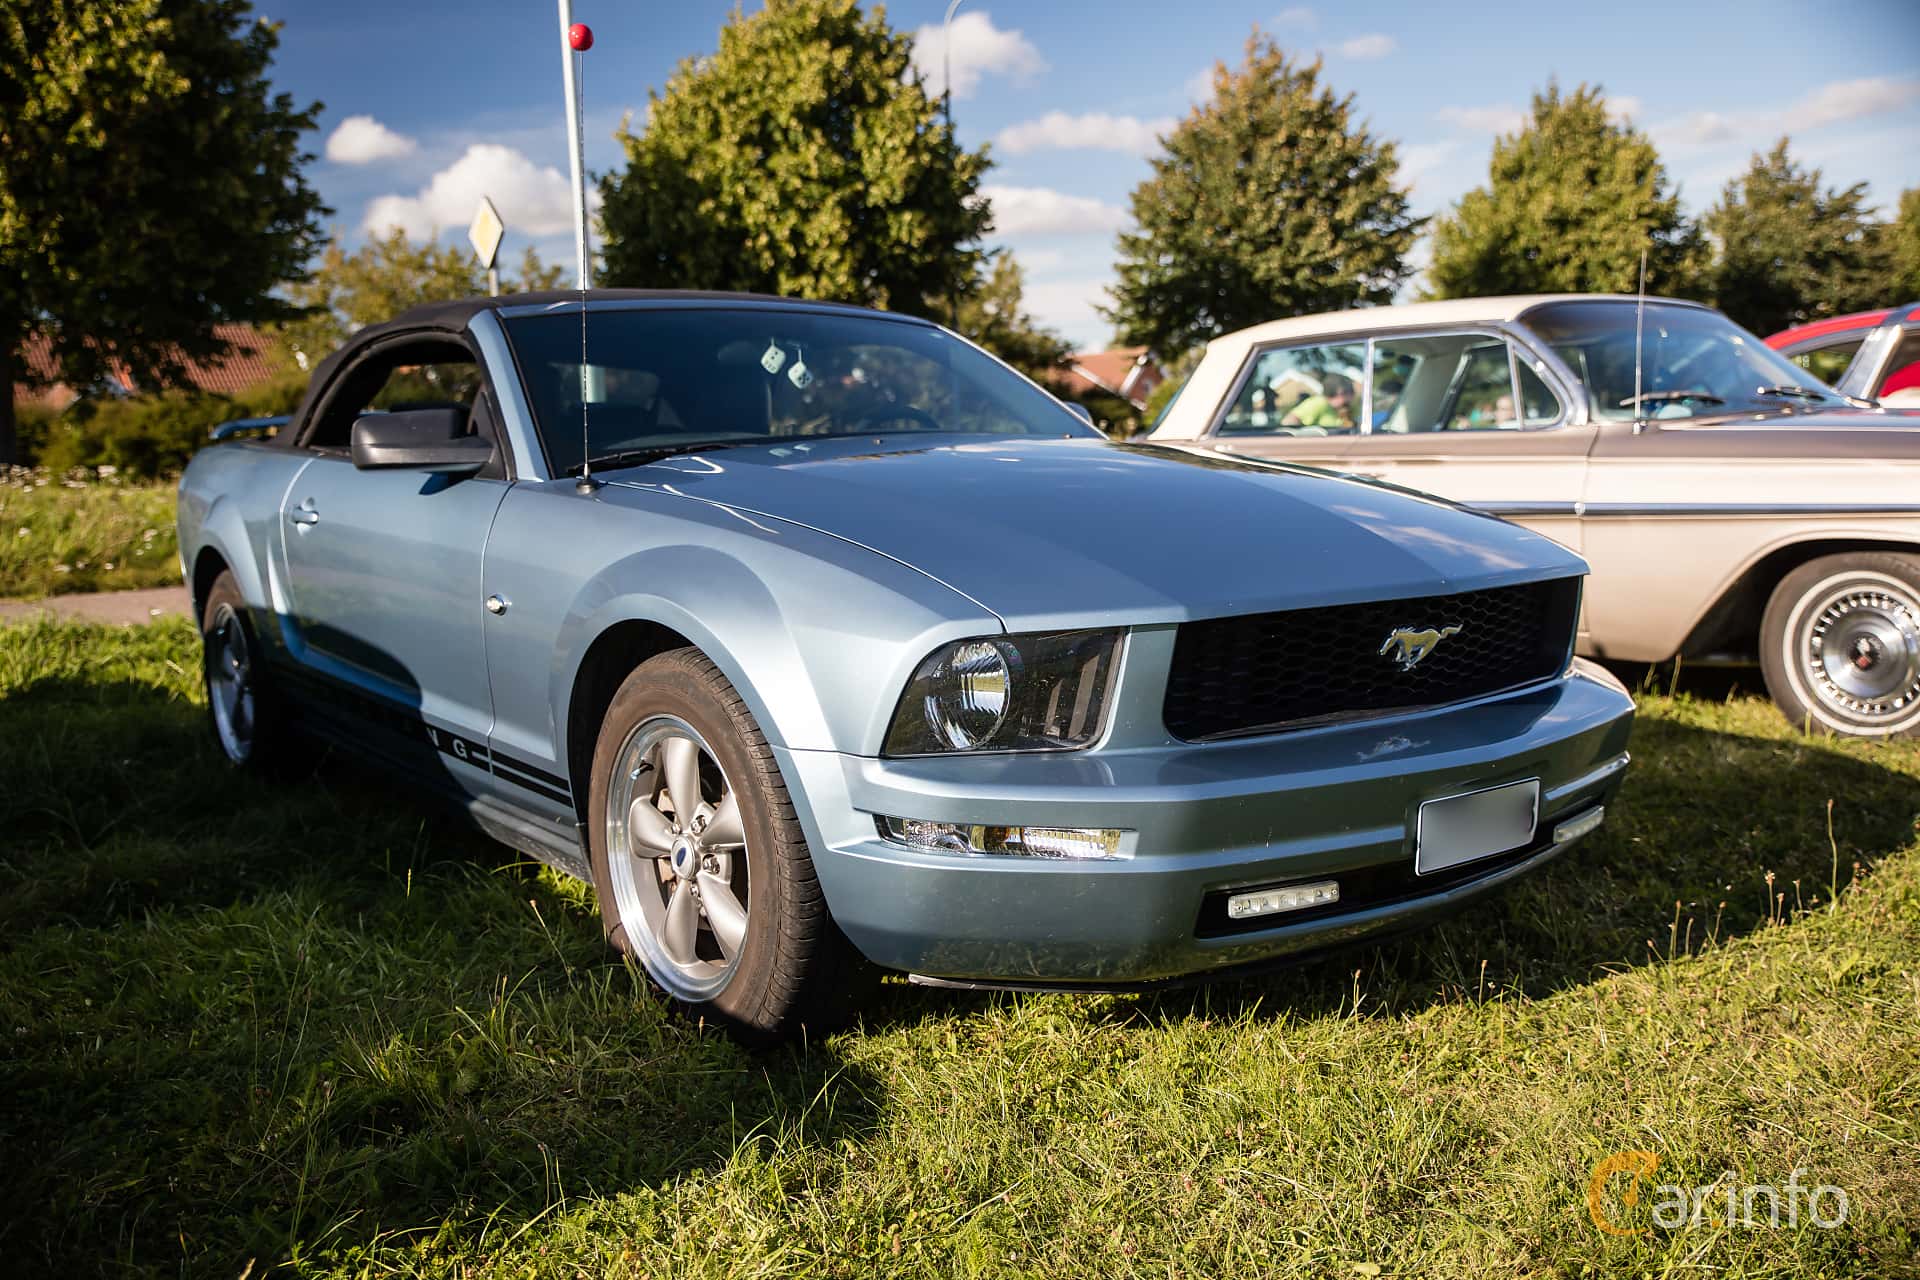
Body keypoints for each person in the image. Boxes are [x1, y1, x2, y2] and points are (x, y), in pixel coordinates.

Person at [1282, 373, 1355, 430]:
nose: (1351, 396)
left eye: (1351, 392)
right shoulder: (1319, 402)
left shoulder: (1348, 408)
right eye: (1346, 392)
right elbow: (1289, 421)